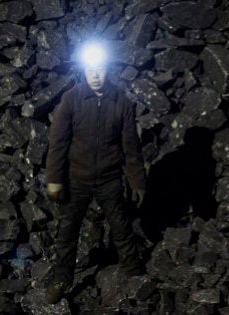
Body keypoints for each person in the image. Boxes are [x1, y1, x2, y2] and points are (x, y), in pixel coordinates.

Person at [44, 53, 147, 304]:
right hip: (77, 177)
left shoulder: (121, 102)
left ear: (108, 71)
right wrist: (54, 179)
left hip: (109, 178)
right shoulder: (71, 99)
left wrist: (137, 182)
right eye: (91, 71)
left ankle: (134, 272)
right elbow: (58, 143)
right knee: (68, 231)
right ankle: (62, 279)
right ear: (84, 73)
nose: (96, 76)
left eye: (100, 70)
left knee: (121, 226)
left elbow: (131, 147)